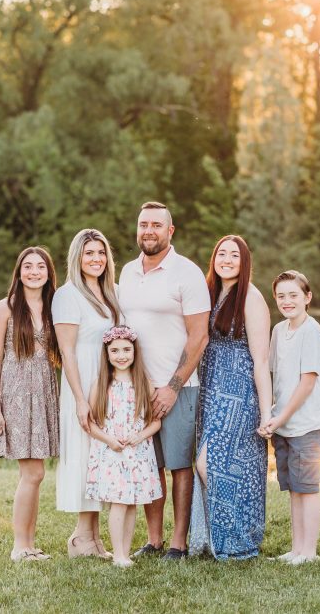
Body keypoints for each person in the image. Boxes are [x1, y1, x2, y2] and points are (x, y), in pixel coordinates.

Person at [118, 201, 210, 560]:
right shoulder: (126, 272)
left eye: (157, 225)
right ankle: (153, 540)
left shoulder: (186, 273)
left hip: (180, 388)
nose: (149, 231)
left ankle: (178, 542)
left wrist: (173, 387)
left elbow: (199, 336)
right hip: (138, 387)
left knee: (178, 465)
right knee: (149, 464)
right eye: (143, 224)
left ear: (170, 231)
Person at [188, 235, 272, 560]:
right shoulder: (209, 293)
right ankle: (218, 539)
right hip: (210, 390)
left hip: (239, 392)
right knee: (222, 466)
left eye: (234, 255)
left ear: (244, 261)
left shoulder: (250, 297)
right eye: (221, 253)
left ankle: (237, 540)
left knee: (212, 464)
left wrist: (266, 413)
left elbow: (262, 361)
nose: (226, 259)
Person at [0, 246, 62, 562]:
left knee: (37, 474)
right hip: (16, 394)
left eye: (40, 266)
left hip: (44, 391)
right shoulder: (5, 308)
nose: (34, 272)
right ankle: (20, 545)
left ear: (48, 273)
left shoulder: (53, 307)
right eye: (28, 266)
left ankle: (30, 543)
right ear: (19, 273)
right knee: (31, 473)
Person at [52, 229, 122, 558]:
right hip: (81, 382)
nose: (96, 259)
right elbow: (67, 352)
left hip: (110, 384)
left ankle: (94, 539)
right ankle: (81, 536)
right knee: (83, 454)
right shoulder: (67, 296)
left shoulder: (113, 292)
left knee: (101, 458)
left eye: (101, 252)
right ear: (77, 258)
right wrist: (81, 399)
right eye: (89, 253)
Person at [258, 270, 320, 566]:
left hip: (307, 424)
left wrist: (281, 416)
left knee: (307, 488)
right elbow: (274, 374)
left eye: (293, 295)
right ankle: (297, 547)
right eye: (281, 296)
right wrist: (272, 414)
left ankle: (309, 552)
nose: (287, 301)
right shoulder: (279, 331)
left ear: (307, 297)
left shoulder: (312, 332)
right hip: (284, 424)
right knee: (293, 489)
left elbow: (306, 383)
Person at [85, 325, 163, 568]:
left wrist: (140, 436)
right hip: (112, 452)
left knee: (131, 502)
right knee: (119, 501)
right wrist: (109, 440)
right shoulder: (101, 383)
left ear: (134, 351)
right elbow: (90, 424)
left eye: (126, 350)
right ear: (107, 354)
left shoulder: (144, 382)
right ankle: (118, 554)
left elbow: (155, 422)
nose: (121, 355)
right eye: (115, 350)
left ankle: (124, 553)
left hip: (137, 452)